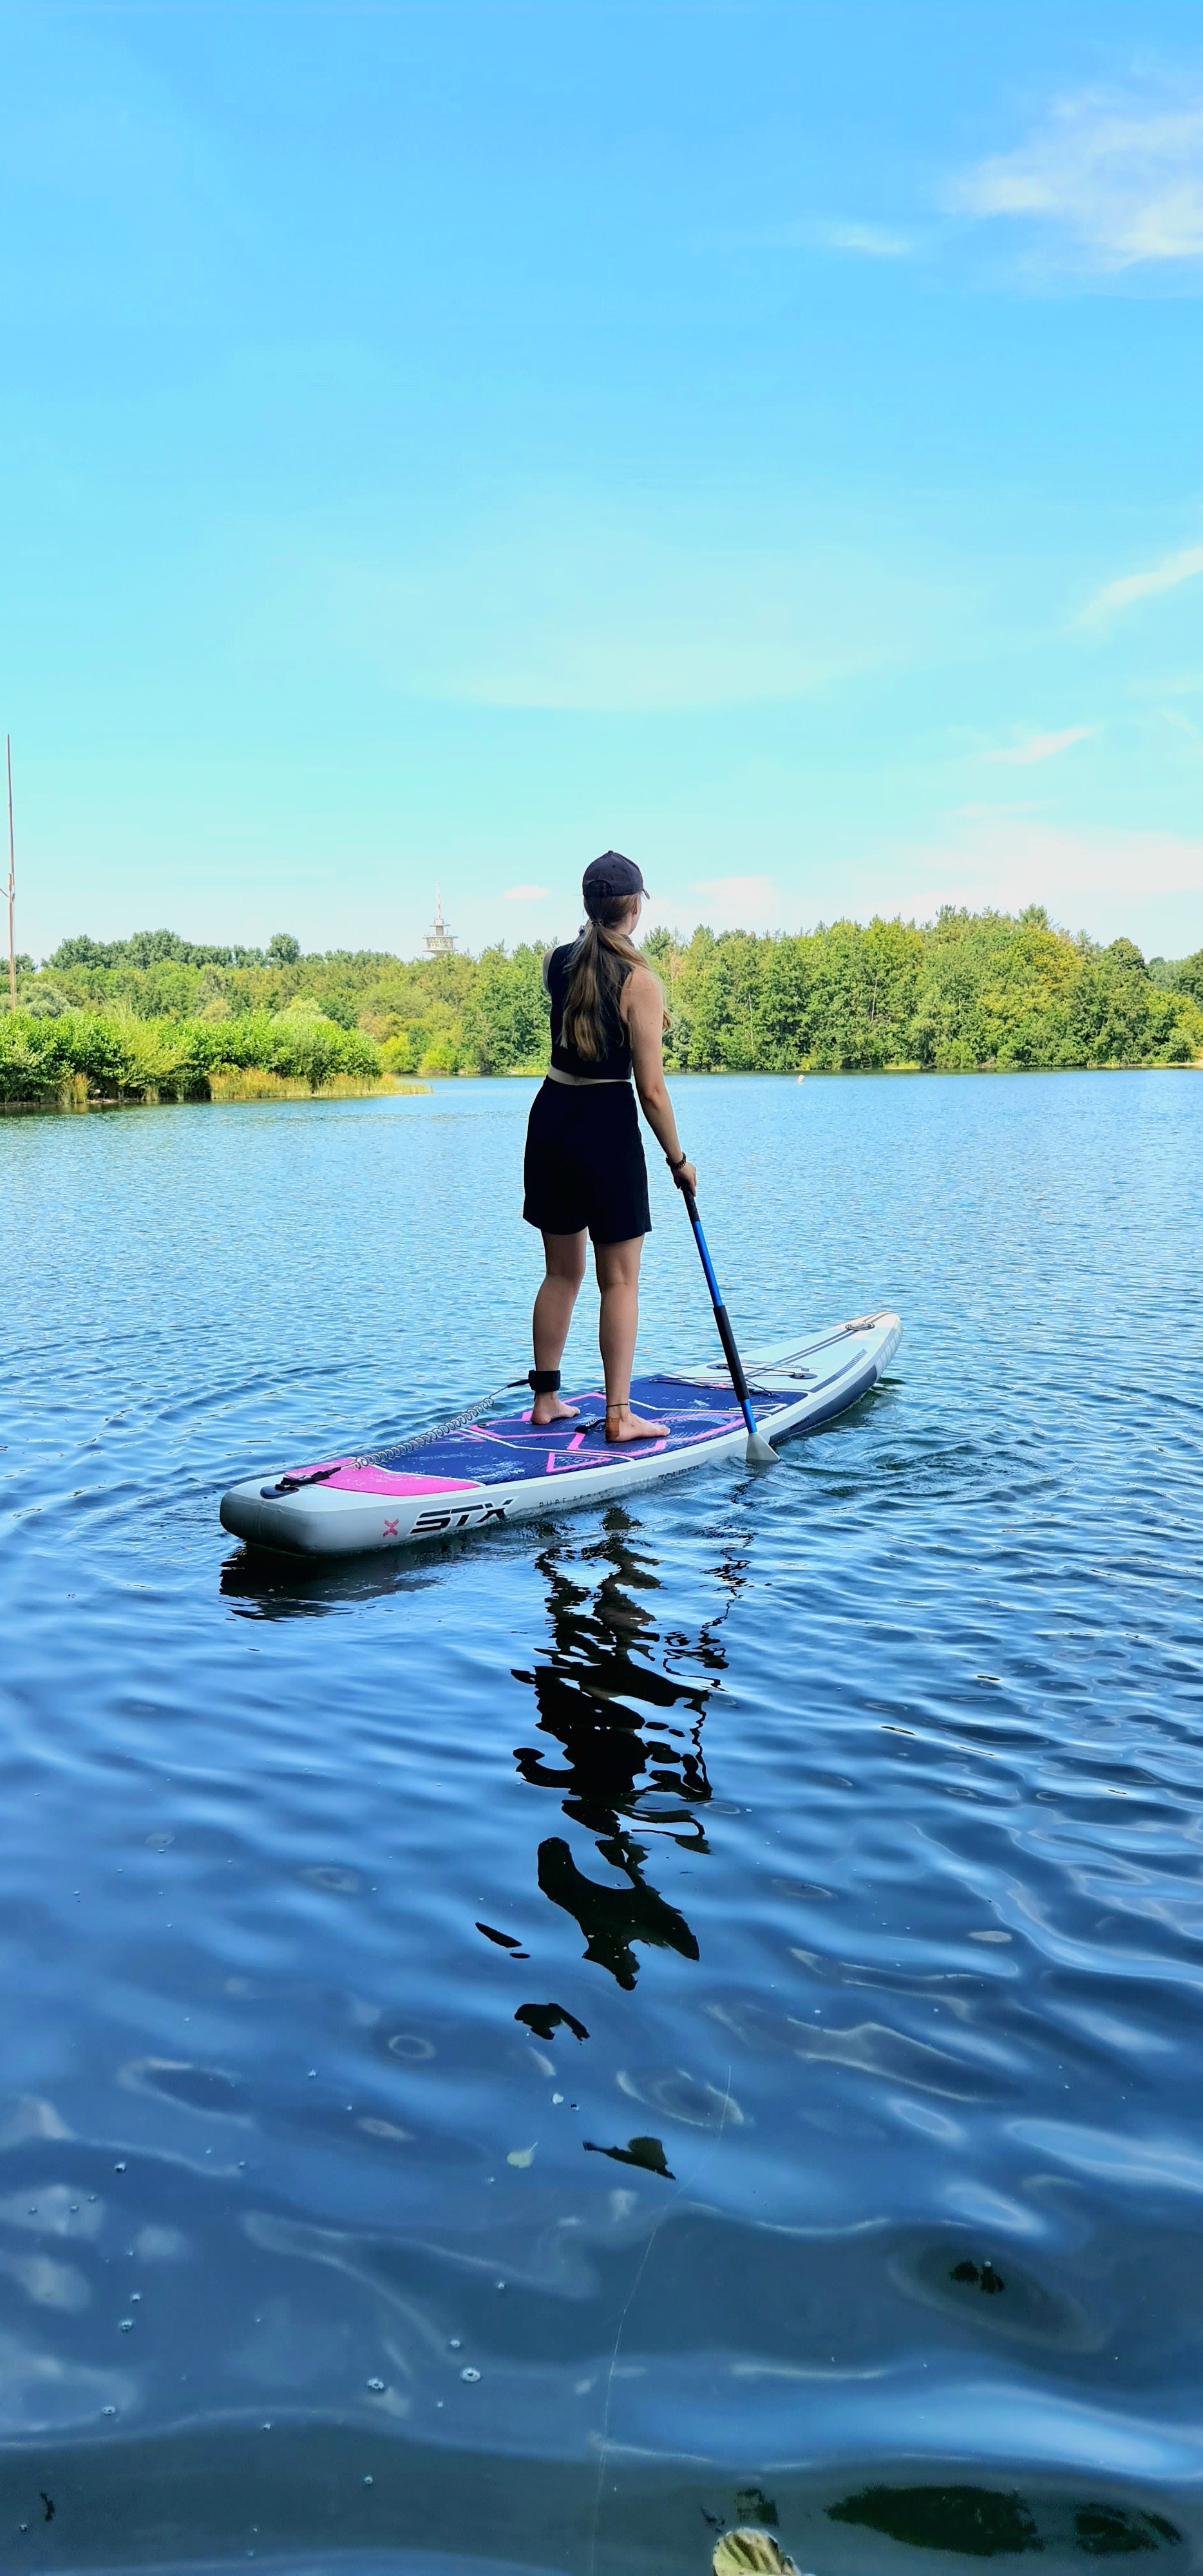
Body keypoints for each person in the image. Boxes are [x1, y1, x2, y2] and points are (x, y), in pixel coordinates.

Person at [522, 852, 697, 1444]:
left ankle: (546, 1399)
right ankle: (619, 1416)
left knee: (560, 1272)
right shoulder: (641, 982)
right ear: (635, 905)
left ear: (588, 904)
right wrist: (679, 1160)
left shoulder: (555, 962)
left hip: (551, 1118)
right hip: (605, 1124)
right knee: (619, 1281)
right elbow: (650, 1090)